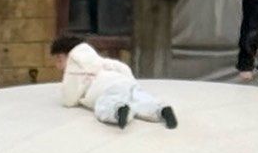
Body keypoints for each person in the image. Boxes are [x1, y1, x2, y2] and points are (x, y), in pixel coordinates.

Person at [50, 34, 178, 129]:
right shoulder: (100, 61)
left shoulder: (74, 71)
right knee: (139, 98)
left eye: (59, 60)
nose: (57, 65)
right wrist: (131, 82)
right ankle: (161, 109)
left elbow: (69, 99)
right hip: (123, 81)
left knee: (104, 104)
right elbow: (122, 68)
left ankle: (119, 111)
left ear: (70, 56)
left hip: (105, 88)